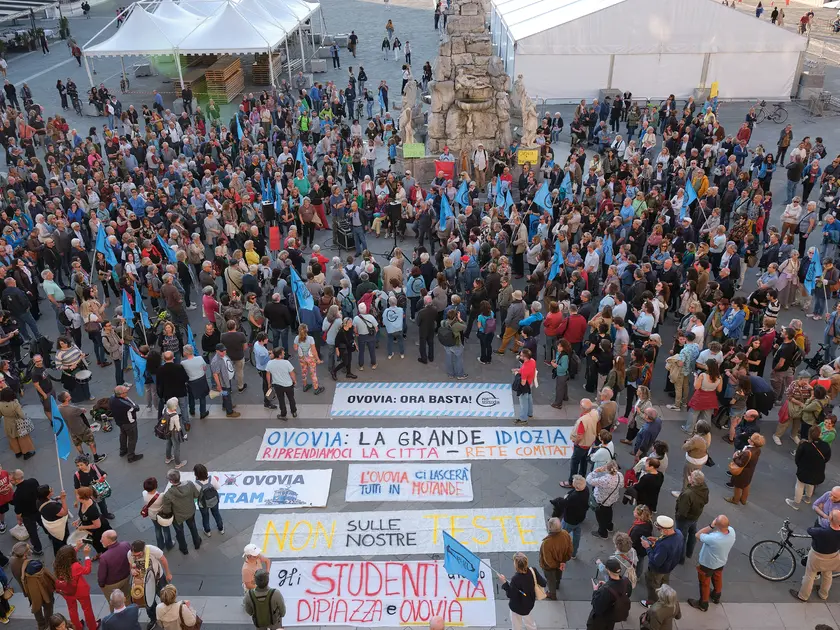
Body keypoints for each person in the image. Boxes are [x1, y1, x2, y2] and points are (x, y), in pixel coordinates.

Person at [687, 514, 736, 611]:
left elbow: (697, 535)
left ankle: (703, 604)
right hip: (721, 561)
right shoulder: (732, 532)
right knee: (717, 577)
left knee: (705, 583)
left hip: (707, 563)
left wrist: (711, 526)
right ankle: (716, 595)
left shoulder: (713, 538)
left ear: (717, 525)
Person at [791, 508, 840, 602]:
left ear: (830, 519)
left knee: (809, 575)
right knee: (827, 574)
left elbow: (810, 530)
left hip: (817, 556)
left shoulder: (822, 532)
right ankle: (823, 594)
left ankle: (803, 596)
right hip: (833, 556)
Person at [640, 515, 684, 608]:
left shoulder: (664, 546)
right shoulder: (678, 534)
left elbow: (656, 561)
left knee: (653, 585)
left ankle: (652, 602)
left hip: (657, 570)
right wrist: (657, 539)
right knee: (664, 583)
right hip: (669, 567)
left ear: (666, 529)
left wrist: (647, 547)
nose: (659, 531)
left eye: (659, 529)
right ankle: (664, 597)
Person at [127, 540, 172, 628]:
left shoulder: (152, 549)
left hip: (158, 578)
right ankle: (153, 618)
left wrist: (168, 573)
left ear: (143, 550)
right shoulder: (130, 554)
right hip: (143, 582)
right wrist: (132, 570)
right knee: (148, 602)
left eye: (138, 555)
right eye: (134, 556)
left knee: (166, 597)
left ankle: (169, 613)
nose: (136, 557)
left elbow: (163, 559)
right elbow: (131, 565)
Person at [786, 424, 832, 510]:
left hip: (804, 470)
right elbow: (827, 458)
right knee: (811, 484)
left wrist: (800, 465)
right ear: (819, 434)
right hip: (817, 470)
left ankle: (796, 503)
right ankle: (807, 498)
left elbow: (797, 458)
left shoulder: (804, 445)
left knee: (799, 485)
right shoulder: (825, 445)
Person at [53, 543, 98, 630]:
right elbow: (87, 570)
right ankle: (92, 626)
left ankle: (77, 626)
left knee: (72, 610)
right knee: (87, 609)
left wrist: (76, 548)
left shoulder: (56, 563)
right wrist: (87, 556)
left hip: (67, 591)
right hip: (80, 590)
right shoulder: (76, 566)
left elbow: (67, 557)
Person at [499, 552, 546, 630]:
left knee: (516, 624)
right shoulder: (532, 570)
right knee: (529, 620)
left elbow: (510, 594)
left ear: (516, 565)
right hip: (529, 603)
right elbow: (543, 583)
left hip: (516, 607)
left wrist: (504, 583)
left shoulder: (515, 579)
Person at [160, 469, 201, 556]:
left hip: (177, 516)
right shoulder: (189, 484)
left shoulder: (168, 494)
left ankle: (184, 548)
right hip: (190, 511)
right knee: (193, 527)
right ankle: (197, 543)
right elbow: (196, 495)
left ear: (171, 481)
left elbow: (167, 510)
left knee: (179, 532)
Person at [674, 470, 710, 565]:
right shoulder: (704, 488)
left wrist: (678, 516)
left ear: (692, 482)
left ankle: (680, 559)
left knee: (681, 538)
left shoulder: (688, 494)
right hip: (695, 516)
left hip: (685, 519)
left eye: (690, 476)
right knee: (693, 533)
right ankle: (689, 553)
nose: (689, 476)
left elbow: (682, 511)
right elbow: (706, 501)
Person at [586, 557, 632, 630]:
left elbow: (597, 607)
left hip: (600, 621)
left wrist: (595, 591)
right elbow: (626, 594)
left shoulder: (605, 591)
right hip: (612, 617)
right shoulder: (627, 582)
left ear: (608, 571)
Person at [551, 474, 589, 559]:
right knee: (576, 536)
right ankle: (573, 553)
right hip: (580, 518)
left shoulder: (574, 497)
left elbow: (564, 503)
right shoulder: (586, 489)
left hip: (570, 520)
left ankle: (559, 553)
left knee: (561, 536)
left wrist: (565, 497)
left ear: (577, 487)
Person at [724, 432, 765, 505]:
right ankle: (743, 500)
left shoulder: (747, 453)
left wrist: (735, 457)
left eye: (750, 439)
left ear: (753, 443)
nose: (749, 439)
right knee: (746, 485)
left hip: (742, 473)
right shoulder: (758, 450)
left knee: (737, 487)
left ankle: (735, 500)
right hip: (749, 472)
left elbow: (740, 463)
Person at [20, 549, 56, 630]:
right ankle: (48, 624)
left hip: (33, 597)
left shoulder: (26, 577)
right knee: (48, 608)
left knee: (37, 609)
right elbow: (52, 580)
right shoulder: (42, 573)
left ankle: (41, 625)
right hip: (47, 595)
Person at [539, 517, 573, 600]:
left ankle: (552, 594)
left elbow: (548, 561)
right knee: (558, 574)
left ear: (550, 528)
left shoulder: (547, 543)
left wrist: (557, 564)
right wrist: (563, 561)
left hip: (549, 567)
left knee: (550, 580)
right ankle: (557, 583)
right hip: (561, 561)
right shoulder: (565, 534)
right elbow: (570, 550)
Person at [586, 460, 622, 539]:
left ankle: (602, 533)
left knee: (600, 517)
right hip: (612, 498)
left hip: (601, 500)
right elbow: (622, 485)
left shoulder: (604, 480)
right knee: (609, 511)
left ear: (607, 469)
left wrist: (595, 471)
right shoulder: (620, 475)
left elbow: (589, 480)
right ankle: (609, 526)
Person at [97, 531, 131, 612]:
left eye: (102, 538)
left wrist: (101, 585)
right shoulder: (126, 545)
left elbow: (102, 575)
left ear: (109, 541)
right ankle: (129, 611)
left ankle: (115, 616)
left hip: (111, 584)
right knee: (127, 596)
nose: (100, 540)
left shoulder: (104, 557)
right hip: (126, 578)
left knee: (114, 602)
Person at [11, 470, 44, 556]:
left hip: (28, 516)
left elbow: (18, 511)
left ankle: (38, 549)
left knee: (33, 533)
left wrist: (19, 519)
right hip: (38, 509)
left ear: (17, 480)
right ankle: (51, 535)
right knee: (44, 524)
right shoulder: (33, 481)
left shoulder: (17, 494)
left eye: (11, 480)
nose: (10, 482)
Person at [109, 385, 143, 462]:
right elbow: (136, 407)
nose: (127, 393)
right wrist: (127, 399)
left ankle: (123, 450)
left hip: (119, 421)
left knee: (123, 435)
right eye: (126, 392)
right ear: (121, 394)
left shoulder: (112, 398)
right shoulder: (125, 404)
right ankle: (131, 456)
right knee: (132, 439)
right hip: (129, 423)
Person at [0, 388, 34, 459]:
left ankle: (17, 452)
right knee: (22, 438)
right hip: (17, 421)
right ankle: (26, 453)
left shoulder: (0, 404)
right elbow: (21, 414)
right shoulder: (15, 404)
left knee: (12, 438)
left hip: (7, 422)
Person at [142, 477, 173, 551]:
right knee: (166, 529)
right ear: (155, 486)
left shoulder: (144, 494)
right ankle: (169, 544)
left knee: (157, 529)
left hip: (152, 515)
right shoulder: (161, 495)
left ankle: (160, 545)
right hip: (161, 515)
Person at [210, 344, 241, 417]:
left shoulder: (223, 355)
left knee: (225, 395)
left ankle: (225, 406)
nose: (224, 352)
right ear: (217, 351)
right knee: (227, 396)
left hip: (227, 380)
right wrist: (218, 386)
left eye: (224, 350)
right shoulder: (215, 361)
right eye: (222, 351)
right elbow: (215, 374)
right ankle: (229, 412)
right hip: (223, 382)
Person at [193, 463, 224, 536]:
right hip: (214, 501)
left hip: (203, 503)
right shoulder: (211, 478)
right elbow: (217, 487)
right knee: (216, 514)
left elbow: (195, 495)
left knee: (205, 517)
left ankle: (207, 531)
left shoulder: (196, 484)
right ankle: (221, 528)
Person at [267, 347, 297, 420]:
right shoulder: (286, 362)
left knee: (281, 400)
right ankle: (294, 412)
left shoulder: (270, 363)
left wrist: (269, 383)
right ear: (280, 355)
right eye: (283, 353)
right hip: (288, 385)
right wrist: (294, 381)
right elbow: (292, 373)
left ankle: (283, 414)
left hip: (277, 385)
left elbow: (268, 374)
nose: (284, 354)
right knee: (291, 398)